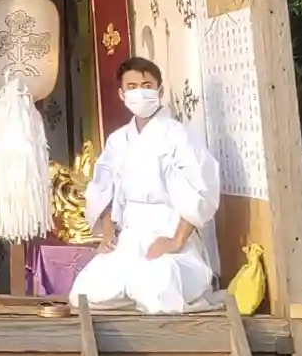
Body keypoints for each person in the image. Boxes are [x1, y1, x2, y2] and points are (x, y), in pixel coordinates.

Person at [69, 56, 220, 316]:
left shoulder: (179, 135)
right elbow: (103, 188)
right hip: (129, 236)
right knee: (84, 293)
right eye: (132, 86)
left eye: (147, 85)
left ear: (159, 90)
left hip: (169, 231)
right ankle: (131, 292)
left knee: (158, 289)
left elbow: (201, 188)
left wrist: (176, 241)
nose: (140, 91)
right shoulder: (118, 140)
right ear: (121, 94)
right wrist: (108, 233)